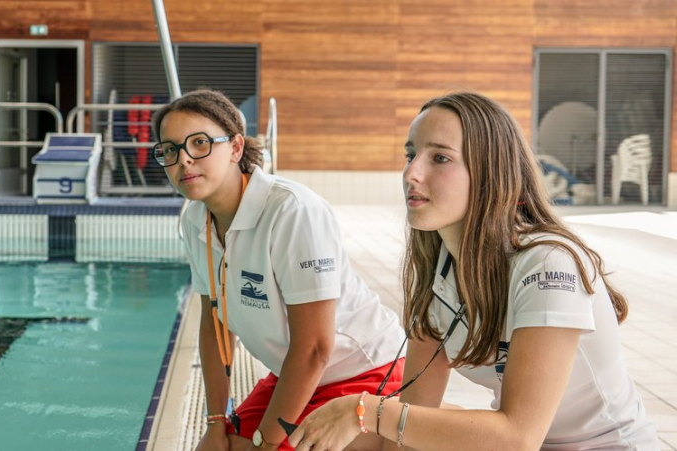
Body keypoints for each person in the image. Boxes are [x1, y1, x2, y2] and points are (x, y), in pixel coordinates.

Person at [287, 92, 659, 450]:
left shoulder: (547, 264)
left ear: (489, 173)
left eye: (440, 158)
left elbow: (517, 439)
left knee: (369, 419)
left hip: (601, 445)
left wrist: (366, 411)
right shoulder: (441, 271)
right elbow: (414, 417)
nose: (411, 172)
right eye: (411, 154)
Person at [151, 89, 407, 451]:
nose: (184, 160)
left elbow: (316, 347)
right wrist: (215, 423)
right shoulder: (195, 220)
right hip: (295, 374)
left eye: (200, 143)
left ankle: (400, 433)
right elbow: (215, 324)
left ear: (236, 148)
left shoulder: (291, 211)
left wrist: (269, 443)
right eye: (170, 150)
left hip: (365, 372)